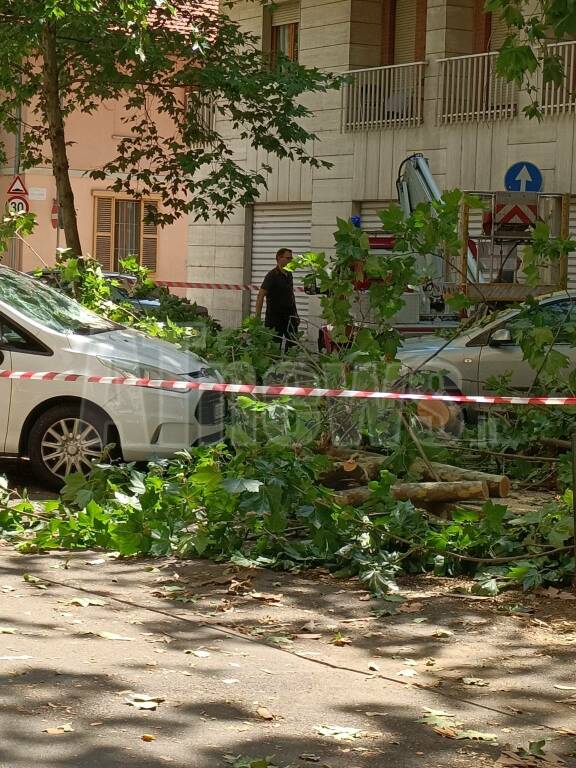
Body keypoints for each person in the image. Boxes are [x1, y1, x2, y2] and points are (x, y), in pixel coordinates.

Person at [255, 247, 299, 348]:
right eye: (288, 258)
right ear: (279, 258)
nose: (290, 261)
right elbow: (261, 295)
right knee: (274, 346)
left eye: (291, 258)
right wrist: (257, 317)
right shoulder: (272, 276)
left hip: (289, 316)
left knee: (292, 345)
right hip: (274, 317)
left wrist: (296, 313)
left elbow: (291, 294)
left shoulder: (289, 274)